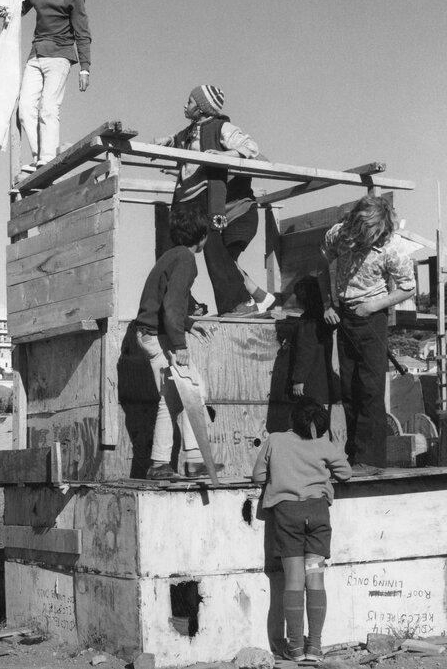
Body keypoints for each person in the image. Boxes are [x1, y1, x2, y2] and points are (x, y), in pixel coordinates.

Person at [154, 85, 273, 318]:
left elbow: (251, 147)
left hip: (204, 196)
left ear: (201, 108)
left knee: (214, 250)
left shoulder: (222, 127)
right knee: (169, 252)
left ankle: (238, 302)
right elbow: (179, 140)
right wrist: (167, 141)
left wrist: (225, 156)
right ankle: (183, 305)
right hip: (183, 199)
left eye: (189, 102)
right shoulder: (189, 131)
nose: (184, 106)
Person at [252, 398, 352, 662]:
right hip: (317, 515)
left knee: (294, 580)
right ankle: (315, 648)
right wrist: (337, 449)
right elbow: (346, 473)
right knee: (315, 578)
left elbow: (258, 477)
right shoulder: (322, 443)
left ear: (291, 419)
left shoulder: (275, 440)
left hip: (287, 517)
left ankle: (295, 648)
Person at [320, 196, 415, 467]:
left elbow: (408, 287)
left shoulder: (393, 248)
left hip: (372, 316)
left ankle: (371, 460)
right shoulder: (337, 234)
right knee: (349, 389)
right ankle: (353, 456)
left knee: (370, 390)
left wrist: (373, 305)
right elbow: (322, 265)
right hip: (344, 315)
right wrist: (328, 303)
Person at [134, 201, 223, 481]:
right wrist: (181, 345)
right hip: (158, 337)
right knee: (185, 394)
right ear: (204, 236)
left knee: (180, 397)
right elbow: (172, 305)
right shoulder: (186, 259)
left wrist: (188, 323)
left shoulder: (172, 255)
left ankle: (186, 461)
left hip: (152, 333)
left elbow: (164, 302)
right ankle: (169, 463)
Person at [16, 0, 91, 176]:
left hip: (60, 56)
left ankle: (48, 158)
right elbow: (18, 8)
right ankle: (39, 157)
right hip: (36, 54)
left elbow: (82, 32)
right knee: (25, 107)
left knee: (49, 107)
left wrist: (85, 69)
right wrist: (4, 8)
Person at [290, 276, 339, 405]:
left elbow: (304, 352)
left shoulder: (307, 322)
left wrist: (299, 379)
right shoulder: (324, 319)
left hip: (310, 379)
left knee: (309, 411)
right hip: (324, 376)